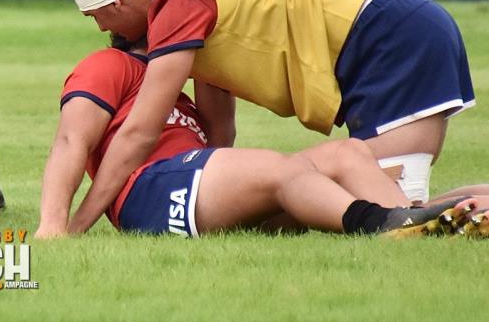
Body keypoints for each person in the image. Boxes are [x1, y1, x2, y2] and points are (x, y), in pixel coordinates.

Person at [59, 0, 488, 234]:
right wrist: (223, 193)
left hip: (387, 38)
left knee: (395, 210)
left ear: (116, 3)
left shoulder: (179, 2)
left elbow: (140, 131)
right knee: (389, 205)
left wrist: (77, 224)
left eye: (96, 16)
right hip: (397, 28)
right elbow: (219, 134)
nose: (102, 30)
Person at [36, 38, 486, 239]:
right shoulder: (109, 64)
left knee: (347, 153)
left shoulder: (179, 93)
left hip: (193, 184)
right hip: (149, 192)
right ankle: (381, 227)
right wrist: (55, 225)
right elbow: (71, 141)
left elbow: (220, 141)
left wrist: (209, 66)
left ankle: (420, 222)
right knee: (281, 170)